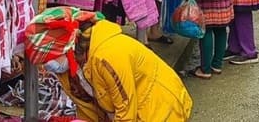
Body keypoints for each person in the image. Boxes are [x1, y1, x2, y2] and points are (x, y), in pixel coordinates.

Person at [25, 7, 193, 121]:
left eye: (47, 60)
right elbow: (87, 108)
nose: (46, 67)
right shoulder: (70, 67)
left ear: (66, 46)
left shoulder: (107, 55)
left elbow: (126, 111)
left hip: (159, 110)